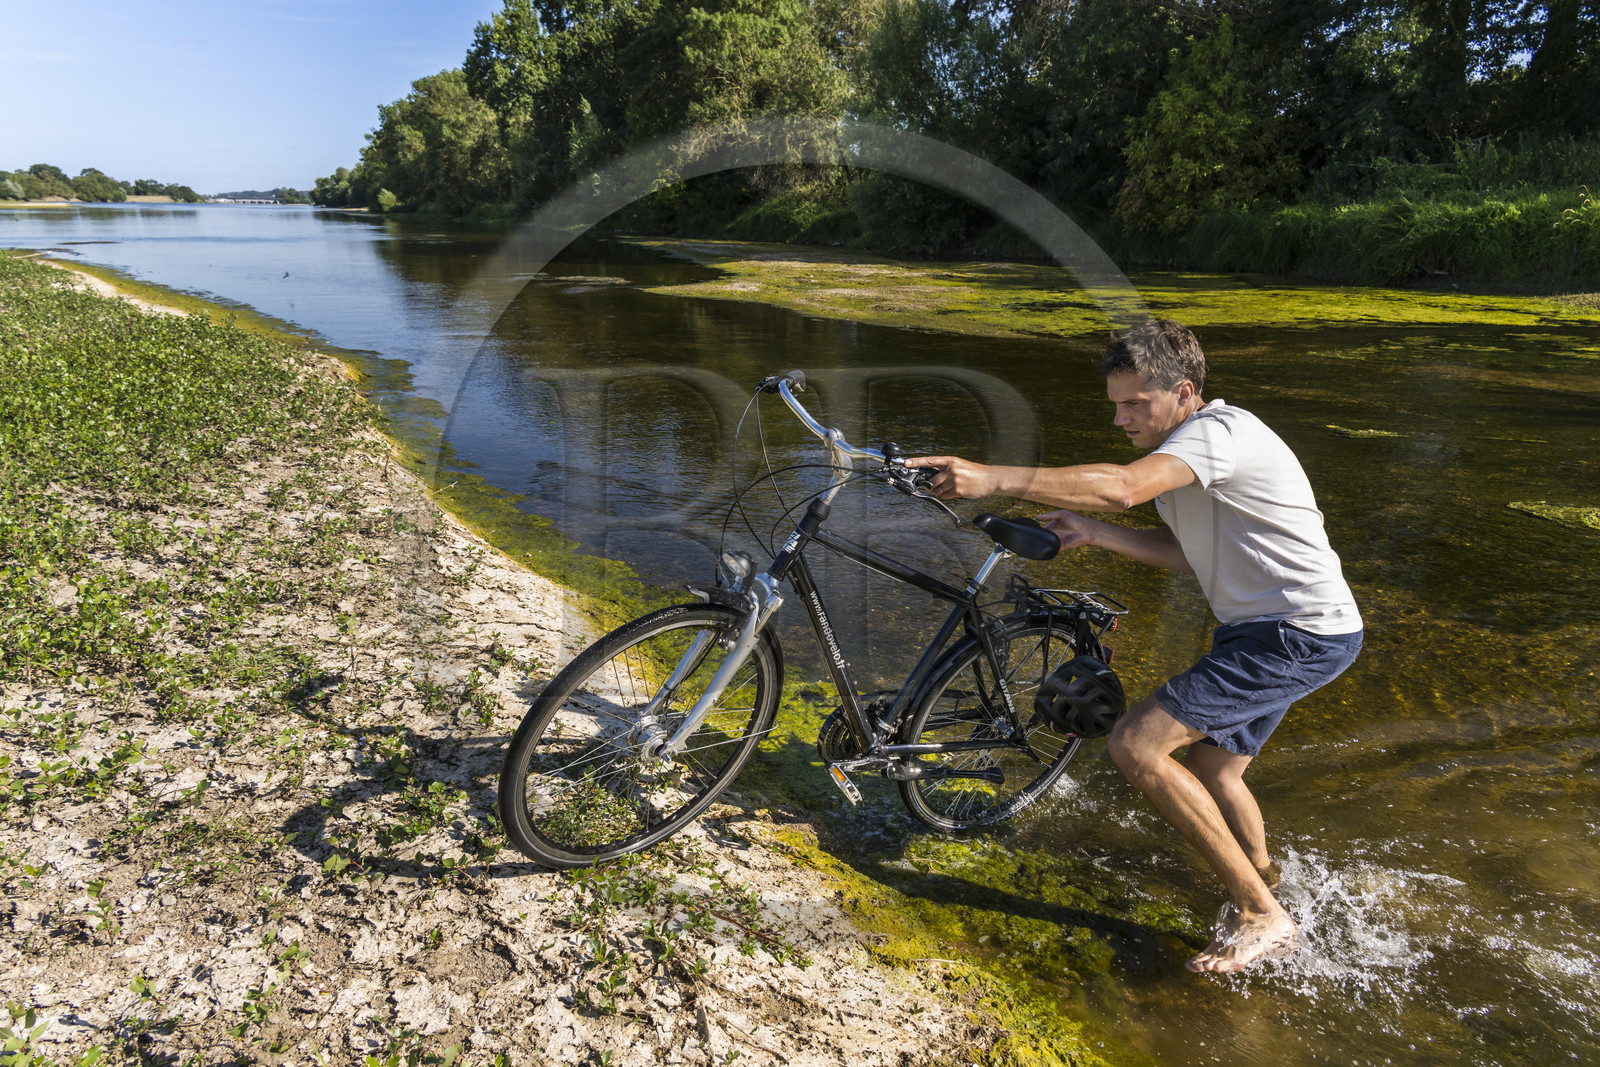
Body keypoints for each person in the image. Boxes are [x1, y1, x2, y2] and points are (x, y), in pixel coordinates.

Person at [906, 320, 1362, 973]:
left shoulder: (1218, 434)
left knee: (1135, 744)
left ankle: (1264, 915)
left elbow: (1123, 485)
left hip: (1295, 631)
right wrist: (1092, 533)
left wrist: (990, 476)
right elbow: (1188, 552)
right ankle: (1264, 883)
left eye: (1135, 404)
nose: (1121, 418)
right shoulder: (1192, 449)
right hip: (1281, 627)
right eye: (1115, 404)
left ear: (1183, 391)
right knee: (1216, 769)